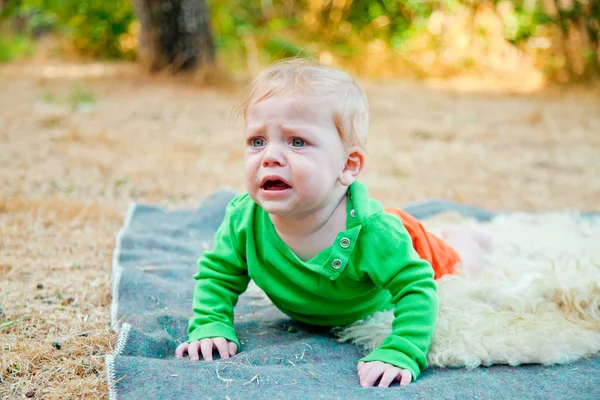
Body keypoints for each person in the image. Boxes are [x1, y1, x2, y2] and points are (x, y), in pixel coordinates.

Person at [175, 58, 491, 388]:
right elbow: (218, 274)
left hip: (407, 239)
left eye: (296, 141)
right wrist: (210, 324)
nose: (269, 156)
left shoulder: (375, 234)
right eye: (257, 141)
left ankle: (464, 237)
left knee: (460, 266)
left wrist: (402, 349)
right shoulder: (244, 218)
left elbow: (417, 289)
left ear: (348, 165)